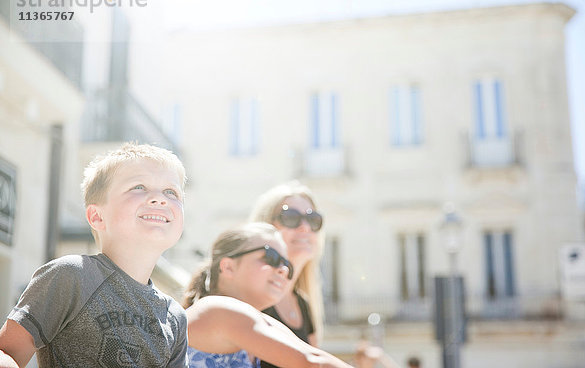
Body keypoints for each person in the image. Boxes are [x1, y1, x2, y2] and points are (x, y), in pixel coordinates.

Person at [0, 143, 189, 367]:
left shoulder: (174, 316)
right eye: (139, 187)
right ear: (97, 216)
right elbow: (5, 353)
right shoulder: (72, 276)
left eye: (171, 191)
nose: (160, 199)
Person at [182, 222, 353, 368]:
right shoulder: (216, 309)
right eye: (270, 257)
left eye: (287, 265)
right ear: (228, 267)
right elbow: (312, 362)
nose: (283, 269)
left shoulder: (257, 320)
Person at [248, 181, 324, 356]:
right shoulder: (252, 298)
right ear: (266, 226)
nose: (305, 227)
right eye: (291, 217)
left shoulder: (303, 305)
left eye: (313, 220)